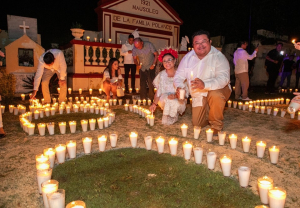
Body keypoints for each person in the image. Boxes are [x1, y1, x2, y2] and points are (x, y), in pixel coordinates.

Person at [174, 30, 231, 135]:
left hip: (218, 89)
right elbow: (178, 76)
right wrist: (180, 87)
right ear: (193, 45)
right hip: (199, 93)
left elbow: (224, 78)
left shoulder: (219, 57)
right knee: (197, 124)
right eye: (197, 43)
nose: (200, 45)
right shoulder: (187, 58)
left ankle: (216, 125)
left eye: (203, 42)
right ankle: (210, 110)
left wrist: (205, 85)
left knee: (215, 94)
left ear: (210, 42)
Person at [149, 48, 188, 125]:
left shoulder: (181, 75)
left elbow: (185, 94)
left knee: (173, 101)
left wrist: (176, 96)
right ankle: (167, 117)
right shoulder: (161, 75)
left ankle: (173, 115)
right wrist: (154, 104)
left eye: (169, 60)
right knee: (167, 98)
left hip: (179, 100)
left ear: (174, 60)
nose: (167, 62)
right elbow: (158, 92)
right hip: (165, 100)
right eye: (164, 61)